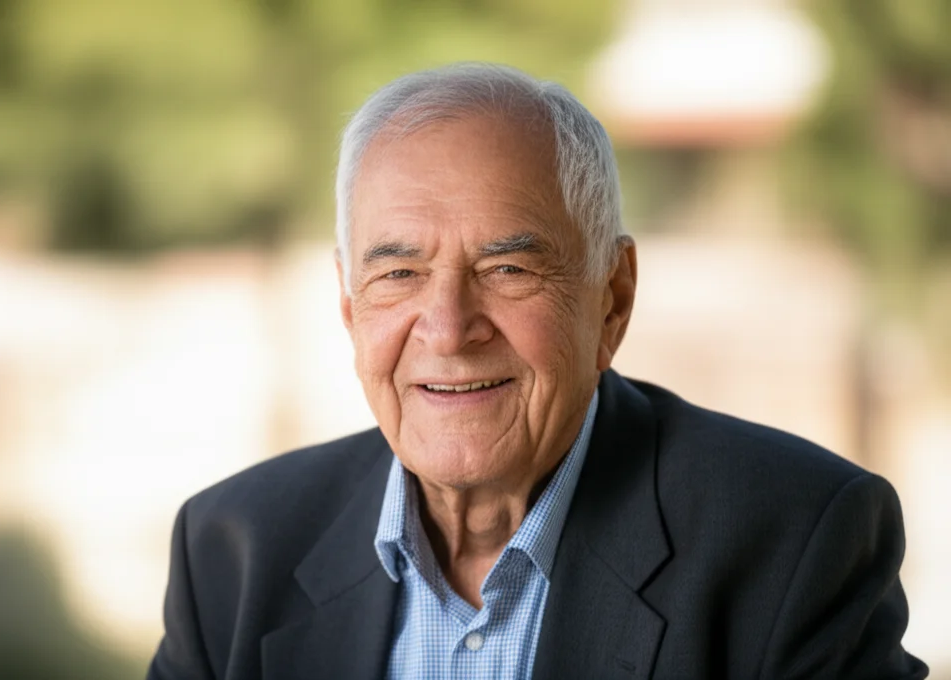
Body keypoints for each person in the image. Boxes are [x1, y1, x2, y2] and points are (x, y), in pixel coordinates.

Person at [147, 63, 927, 680]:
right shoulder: (234, 550)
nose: (449, 328)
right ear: (351, 308)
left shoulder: (795, 539)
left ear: (612, 300)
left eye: (509, 268)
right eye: (398, 274)